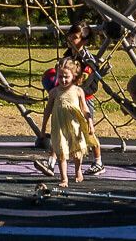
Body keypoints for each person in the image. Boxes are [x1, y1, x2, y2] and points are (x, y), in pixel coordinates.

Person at [35, 21, 105, 177]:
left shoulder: (89, 61)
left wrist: (74, 91)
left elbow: (88, 83)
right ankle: (51, 163)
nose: (70, 39)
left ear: (84, 41)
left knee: (87, 133)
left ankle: (98, 161)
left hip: (83, 99)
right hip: (66, 98)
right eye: (70, 36)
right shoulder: (67, 56)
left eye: (75, 37)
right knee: (60, 130)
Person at [39, 57, 99, 187]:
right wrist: (43, 128)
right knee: (61, 152)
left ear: (74, 76)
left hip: (75, 125)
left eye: (66, 77)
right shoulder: (54, 92)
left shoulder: (78, 91)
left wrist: (90, 122)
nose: (63, 80)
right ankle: (64, 178)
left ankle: (78, 171)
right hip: (59, 126)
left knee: (77, 152)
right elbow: (48, 110)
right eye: (60, 77)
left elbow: (84, 108)